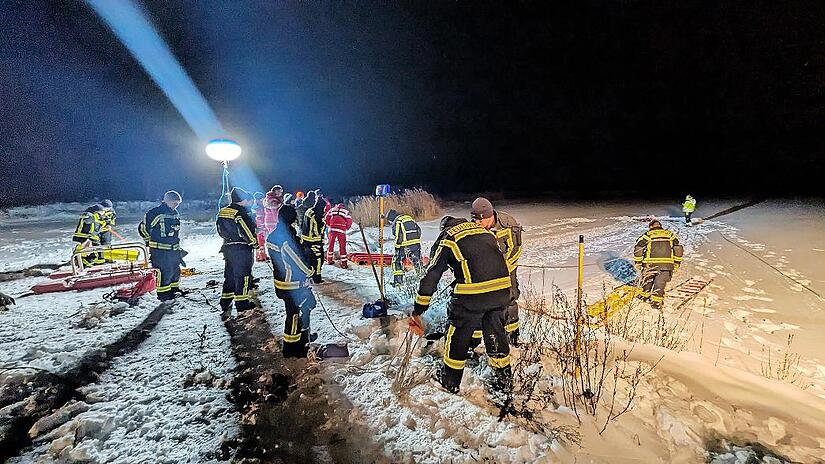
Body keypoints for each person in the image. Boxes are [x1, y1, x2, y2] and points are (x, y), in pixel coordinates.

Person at [410, 216, 513, 395]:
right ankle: (504, 382)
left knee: (457, 334)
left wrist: (420, 306)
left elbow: (432, 274)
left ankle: (450, 381)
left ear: (444, 228)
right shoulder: (484, 232)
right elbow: (483, 263)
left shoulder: (448, 237)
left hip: (473, 297)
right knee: (495, 335)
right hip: (502, 291)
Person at [266, 205, 318, 357]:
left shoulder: (273, 235)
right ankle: (292, 348)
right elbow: (297, 261)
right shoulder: (286, 239)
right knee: (294, 315)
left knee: (305, 307)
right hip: (292, 284)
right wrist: (310, 271)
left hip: (282, 282)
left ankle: (303, 338)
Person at [471, 197, 524, 345]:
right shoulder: (473, 227)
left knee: (509, 299)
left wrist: (502, 270)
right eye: (474, 220)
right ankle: (477, 341)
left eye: (480, 220)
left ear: (489, 216)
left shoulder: (508, 224)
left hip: (507, 269)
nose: (477, 223)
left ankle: (512, 336)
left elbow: (515, 250)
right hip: (484, 271)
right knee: (479, 302)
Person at [216, 187, 258, 319]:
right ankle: (242, 303)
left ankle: (225, 301)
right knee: (243, 276)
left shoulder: (223, 211)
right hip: (241, 248)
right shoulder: (240, 212)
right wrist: (253, 242)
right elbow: (245, 230)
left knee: (230, 275)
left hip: (228, 247)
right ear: (243, 199)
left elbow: (219, 229)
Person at [139, 191, 185, 301]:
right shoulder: (155, 213)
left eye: (178, 204)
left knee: (175, 270)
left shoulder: (175, 213)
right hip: (160, 250)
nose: (176, 206)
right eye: (174, 203)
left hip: (173, 250)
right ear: (167, 201)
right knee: (165, 272)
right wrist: (149, 241)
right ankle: (164, 294)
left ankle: (174, 290)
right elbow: (142, 228)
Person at [633, 219, 683, 309]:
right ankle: (656, 302)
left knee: (647, 280)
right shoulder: (670, 235)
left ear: (651, 227)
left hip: (650, 264)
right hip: (666, 265)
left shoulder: (647, 235)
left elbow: (638, 248)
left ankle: (644, 296)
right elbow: (678, 248)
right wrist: (677, 262)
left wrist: (638, 262)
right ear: (660, 226)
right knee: (660, 283)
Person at [386, 209, 422, 286]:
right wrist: (416, 240)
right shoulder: (409, 218)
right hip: (416, 243)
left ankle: (398, 282)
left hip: (405, 244)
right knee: (417, 261)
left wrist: (397, 248)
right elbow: (419, 230)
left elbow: (398, 236)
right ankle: (422, 278)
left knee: (396, 261)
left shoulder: (398, 221)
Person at [300, 190, 325, 283]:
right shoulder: (316, 215)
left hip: (305, 238)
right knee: (318, 258)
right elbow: (317, 231)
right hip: (314, 241)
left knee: (309, 258)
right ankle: (317, 278)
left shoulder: (309, 211)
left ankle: (309, 273)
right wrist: (323, 225)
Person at [324, 199, 353, 268]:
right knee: (342, 247)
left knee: (330, 245)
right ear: (343, 206)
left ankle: (329, 260)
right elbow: (349, 220)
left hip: (332, 229)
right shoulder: (346, 212)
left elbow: (326, 218)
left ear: (336, 205)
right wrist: (346, 227)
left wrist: (329, 224)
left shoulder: (332, 210)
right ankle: (344, 264)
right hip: (341, 230)